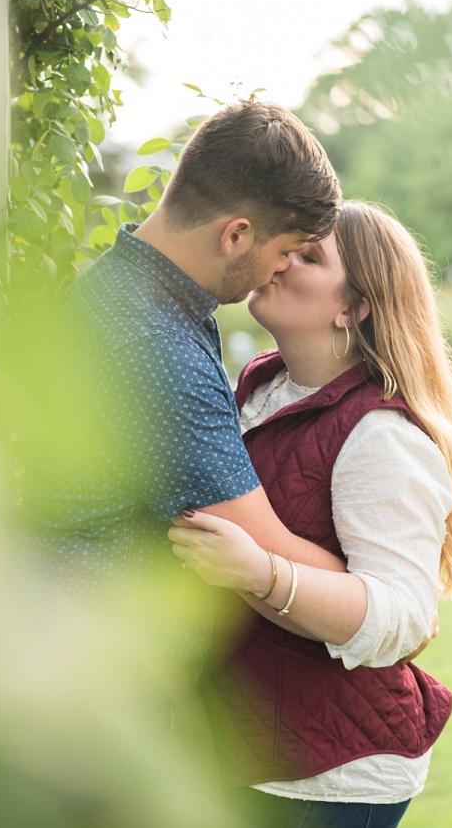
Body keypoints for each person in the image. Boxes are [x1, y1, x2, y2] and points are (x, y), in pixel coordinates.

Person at [167, 200, 452, 828]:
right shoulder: (261, 383)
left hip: (327, 777)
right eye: (289, 246)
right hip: (246, 745)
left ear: (354, 308)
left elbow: (406, 617)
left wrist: (260, 572)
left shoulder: (381, 435)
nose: (279, 263)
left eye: (308, 257)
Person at [27, 100, 349, 659]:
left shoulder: (116, 285)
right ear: (237, 236)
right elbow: (264, 550)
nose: (283, 269)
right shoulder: (157, 346)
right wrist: (388, 597)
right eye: (286, 251)